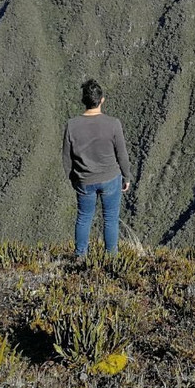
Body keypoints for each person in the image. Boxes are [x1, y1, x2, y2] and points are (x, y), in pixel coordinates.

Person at [62, 79, 131, 258]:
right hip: (110, 178)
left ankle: (80, 257)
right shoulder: (113, 124)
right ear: (102, 100)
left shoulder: (72, 125)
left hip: (84, 180)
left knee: (84, 218)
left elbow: (66, 157)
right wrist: (127, 176)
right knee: (110, 219)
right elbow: (122, 154)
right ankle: (111, 258)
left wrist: (73, 178)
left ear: (84, 100)